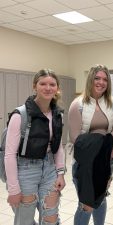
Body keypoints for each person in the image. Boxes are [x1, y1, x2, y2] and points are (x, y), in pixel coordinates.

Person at [5, 69, 65, 225]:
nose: (48, 88)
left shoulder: (57, 114)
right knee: (24, 220)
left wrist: (60, 173)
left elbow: (58, 147)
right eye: (43, 83)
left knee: (51, 218)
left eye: (52, 84)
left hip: (50, 169)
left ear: (57, 88)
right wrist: (13, 189)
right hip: (25, 170)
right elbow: (9, 154)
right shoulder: (20, 115)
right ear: (34, 86)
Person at [68, 64, 113, 225]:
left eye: (105, 79)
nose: (101, 82)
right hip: (84, 163)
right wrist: (103, 143)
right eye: (97, 78)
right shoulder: (77, 105)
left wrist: (105, 148)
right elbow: (76, 138)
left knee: (101, 199)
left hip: (105, 162)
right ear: (90, 79)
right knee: (86, 204)